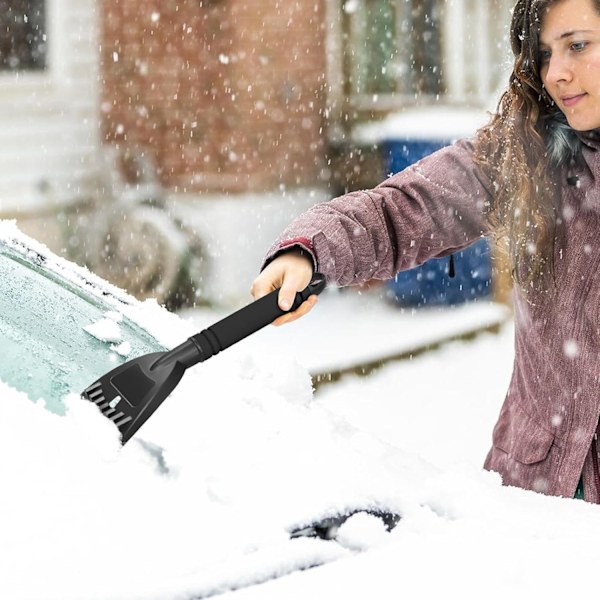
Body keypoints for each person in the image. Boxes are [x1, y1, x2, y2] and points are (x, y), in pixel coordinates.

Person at [251, 0, 600, 503]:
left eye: (578, 45)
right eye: (544, 54)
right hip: (533, 502)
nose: (557, 74)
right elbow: (405, 208)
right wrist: (309, 251)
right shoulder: (528, 150)